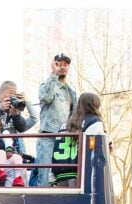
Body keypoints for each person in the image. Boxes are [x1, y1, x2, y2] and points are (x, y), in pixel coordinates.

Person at [35, 53, 77, 187]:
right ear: (53, 65)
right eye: (58, 64)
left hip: (66, 141)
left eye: (65, 64)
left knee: (65, 179)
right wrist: (53, 74)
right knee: (45, 179)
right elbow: (46, 97)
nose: (62, 67)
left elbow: (75, 116)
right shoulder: (46, 85)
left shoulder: (72, 91)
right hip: (49, 137)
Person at [51, 92, 104, 187]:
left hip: (60, 177)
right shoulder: (94, 123)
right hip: (79, 176)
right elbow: (95, 147)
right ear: (95, 105)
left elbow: (55, 150)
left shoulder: (64, 125)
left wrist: (52, 178)